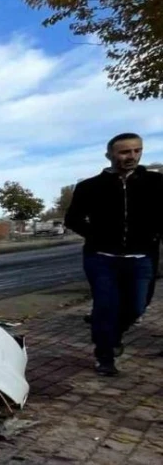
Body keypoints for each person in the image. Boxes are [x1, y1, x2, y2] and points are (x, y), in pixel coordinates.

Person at [65, 133, 163, 376]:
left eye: (136, 151)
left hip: (142, 258)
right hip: (101, 257)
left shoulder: (156, 183)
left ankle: (114, 335)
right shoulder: (89, 187)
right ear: (110, 155)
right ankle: (104, 356)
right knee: (105, 307)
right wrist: (96, 236)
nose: (131, 156)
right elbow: (73, 219)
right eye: (124, 152)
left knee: (137, 307)